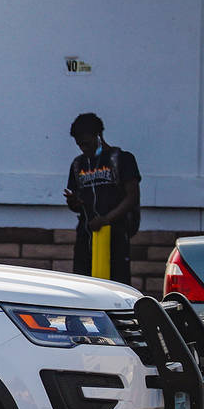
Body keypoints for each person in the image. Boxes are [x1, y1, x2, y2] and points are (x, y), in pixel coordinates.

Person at [63, 112, 141, 285]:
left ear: (98, 136)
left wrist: (106, 219)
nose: (84, 149)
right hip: (87, 234)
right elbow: (77, 202)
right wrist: (73, 203)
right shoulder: (78, 164)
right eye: (79, 145)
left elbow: (132, 196)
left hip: (116, 235)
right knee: (84, 283)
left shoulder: (122, 159)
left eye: (87, 143)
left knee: (116, 283)